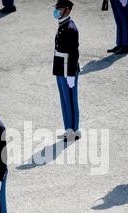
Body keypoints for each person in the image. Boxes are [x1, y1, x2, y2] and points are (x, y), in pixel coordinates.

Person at [53, 0, 81, 142]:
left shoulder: (70, 28)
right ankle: (68, 129)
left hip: (67, 70)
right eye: (56, 8)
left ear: (67, 10)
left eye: (60, 8)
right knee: (65, 100)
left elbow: (74, 53)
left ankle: (74, 130)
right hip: (60, 68)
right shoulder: (63, 25)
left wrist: (71, 74)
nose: (57, 10)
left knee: (70, 100)